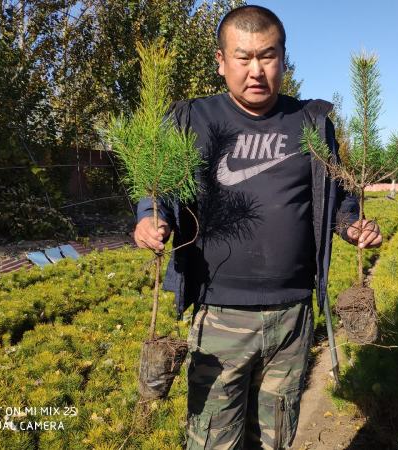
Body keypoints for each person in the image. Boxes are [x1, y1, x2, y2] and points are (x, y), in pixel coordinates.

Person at [132, 5, 382, 449]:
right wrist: (149, 220)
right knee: (213, 438)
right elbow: (158, 190)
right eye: (243, 57)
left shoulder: (311, 123)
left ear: (283, 59)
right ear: (221, 60)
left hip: (292, 317)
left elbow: (338, 195)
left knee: (275, 437)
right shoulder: (193, 120)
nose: (256, 70)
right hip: (219, 316)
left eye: (267, 56)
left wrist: (352, 226)